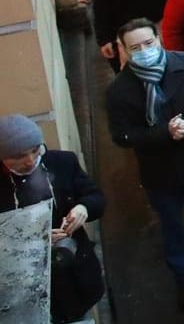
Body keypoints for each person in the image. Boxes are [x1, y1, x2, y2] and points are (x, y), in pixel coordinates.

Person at [103, 19, 184, 312]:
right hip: (160, 170)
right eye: (135, 47)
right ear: (124, 50)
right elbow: (122, 135)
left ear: (159, 39)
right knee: (173, 227)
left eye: (148, 43)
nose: (143, 51)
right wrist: (163, 133)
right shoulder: (119, 90)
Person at [0, 113, 107, 323]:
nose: (30, 161)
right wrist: (35, 239)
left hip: (74, 276)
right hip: (22, 290)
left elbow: (95, 197)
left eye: (35, 150)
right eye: (19, 156)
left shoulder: (62, 162)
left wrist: (83, 208)